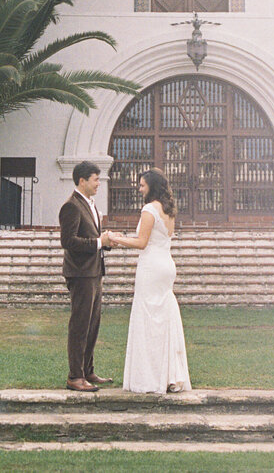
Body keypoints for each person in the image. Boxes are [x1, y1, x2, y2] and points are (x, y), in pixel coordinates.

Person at [104, 168, 191, 394]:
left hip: (151, 267)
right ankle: (171, 375)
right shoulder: (169, 210)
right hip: (167, 265)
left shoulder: (149, 209)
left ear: (151, 186)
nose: (139, 188)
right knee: (164, 316)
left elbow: (142, 242)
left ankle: (150, 377)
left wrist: (117, 238)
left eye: (142, 185)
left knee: (148, 319)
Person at [59, 161, 114, 392]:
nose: (98, 184)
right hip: (80, 274)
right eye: (95, 179)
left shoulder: (90, 205)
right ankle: (75, 376)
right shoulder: (71, 206)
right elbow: (68, 241)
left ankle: (87, 370)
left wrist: (106, 241)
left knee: (93, 324)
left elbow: (93, 237)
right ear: (82, 181)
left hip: (94, 272)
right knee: (80, 325)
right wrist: (99, 242)